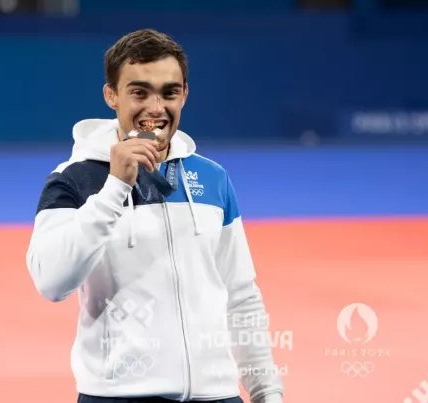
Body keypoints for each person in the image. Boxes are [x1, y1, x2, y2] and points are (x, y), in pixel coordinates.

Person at [26, 29, 284, 403]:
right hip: (118, 395)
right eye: (139, 92)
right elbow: (51, 282)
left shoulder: (212, 178)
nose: (156, 107)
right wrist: (114, 188)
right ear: (111, 95)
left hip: (216, 393)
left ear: (185, 95)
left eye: (169, 92)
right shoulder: (74, 179)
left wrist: (266, 390)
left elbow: (241, 295)